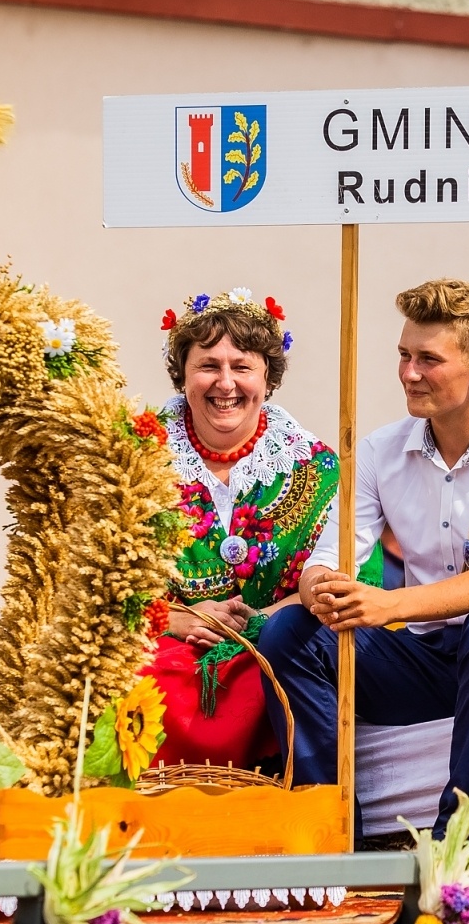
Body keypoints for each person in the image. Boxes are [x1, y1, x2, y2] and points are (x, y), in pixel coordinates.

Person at [260, 278, 469, 834]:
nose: (409, 373)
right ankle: (329, 825)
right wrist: (322, 588)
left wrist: (387, 604)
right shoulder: (380, 449)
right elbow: (330, 556)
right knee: (288, 632)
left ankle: (461, 835)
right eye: (404, 355)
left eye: (429, 359)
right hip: (432, 657)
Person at [141, 287, 364, 770]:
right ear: (182, 373)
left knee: (289, 664)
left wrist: (257, 623)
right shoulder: (133, 459)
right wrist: (175, 619)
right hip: (161, 656)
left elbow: (357, 577)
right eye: (208, 365)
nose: (226, 383)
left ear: (268, 376)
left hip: (275, 656)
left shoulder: (319, 467)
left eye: (241, 366)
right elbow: (89, 584)